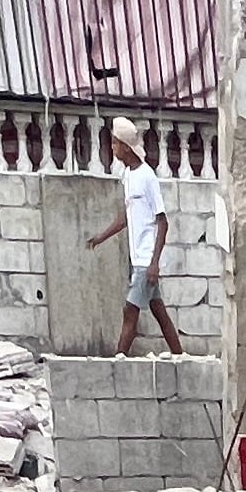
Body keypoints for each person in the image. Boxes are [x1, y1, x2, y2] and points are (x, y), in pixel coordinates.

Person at [83, 115, 184, 356]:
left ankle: (119, 358)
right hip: (139, 257)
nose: (112, 148)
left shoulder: (147, 176)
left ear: (126, 147)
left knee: (130, 310)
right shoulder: (128, 176)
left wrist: (154, 263)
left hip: (146, 259)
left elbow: (163, 222)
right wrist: (100, 237)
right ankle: (180, 356)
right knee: (158, 309)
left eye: (115, 143)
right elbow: (125, 218)